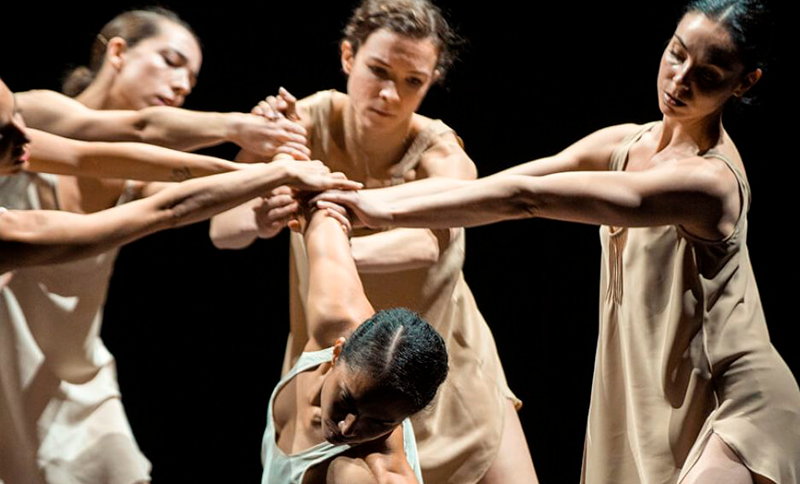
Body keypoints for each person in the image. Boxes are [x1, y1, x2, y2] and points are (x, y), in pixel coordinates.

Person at [317, 1, 800, 482]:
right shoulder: (626, 144)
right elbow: (486, 188)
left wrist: (376, 210)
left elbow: (524, 198)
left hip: (730, 398)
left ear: (745, 82)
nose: (680, 80)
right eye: (676, 54)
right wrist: (355, 198)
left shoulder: (708, 184)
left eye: (709, 74)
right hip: (656, 392)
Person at [210, 2, 538, 482]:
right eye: (378, 71)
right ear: (348, 57)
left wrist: (328, 246)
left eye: (413, 82)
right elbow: (222, 230)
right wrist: (260, 216)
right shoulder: (304, 122)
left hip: (438, 367)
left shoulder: (439, 149)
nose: (389, 94)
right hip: (343, 369)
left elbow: (428, 244)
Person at [0, 77, 361, 484]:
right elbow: (166, 210)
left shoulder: (22, 144)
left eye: (17, 115)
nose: (23, 135)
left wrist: (271, 170)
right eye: (4, 129)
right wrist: (270, 173)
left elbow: (93, 156)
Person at [262, 204, 447, 484]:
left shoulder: (364, 473)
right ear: (337, 352)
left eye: (378, 424)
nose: (348, 429)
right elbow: (322, 215)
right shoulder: (337, 315)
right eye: (347, 401)